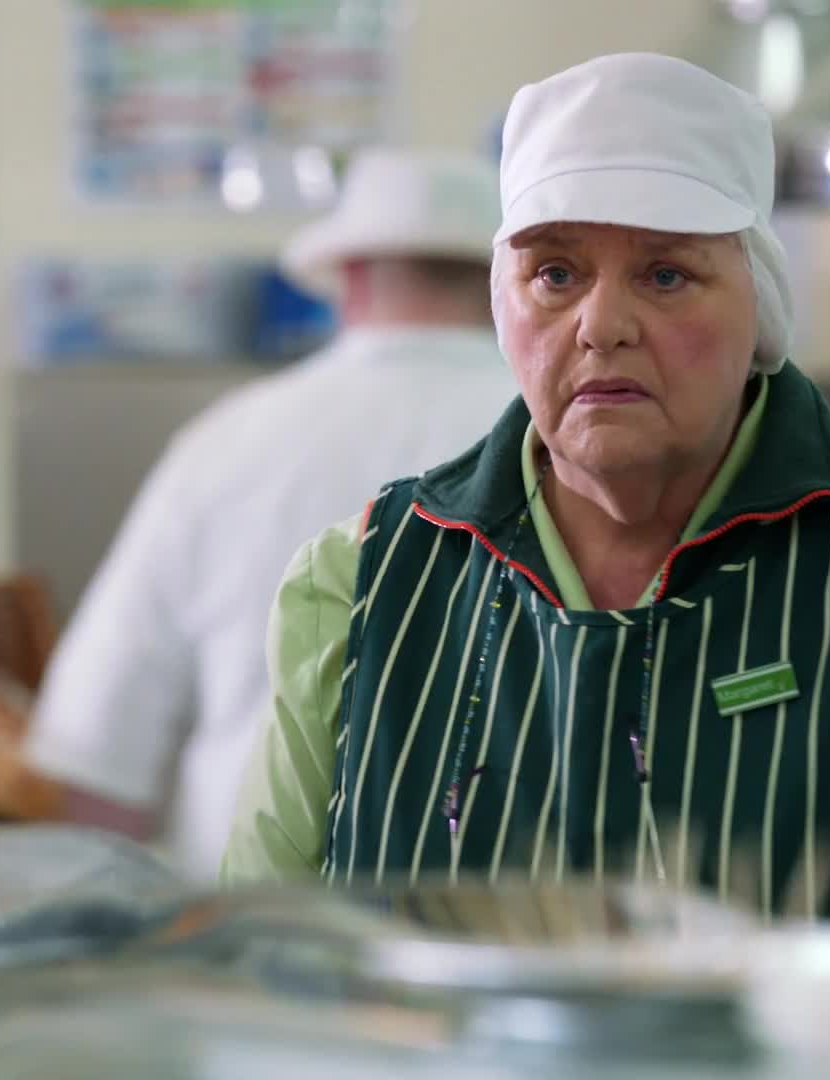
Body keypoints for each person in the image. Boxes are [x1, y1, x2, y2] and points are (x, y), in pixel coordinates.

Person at [221, 54, 830, 1035]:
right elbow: (249, 987)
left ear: (758, 302)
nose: (602, 325)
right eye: (554, 273)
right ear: (502, 301)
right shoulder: (366, 581)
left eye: (665, 273)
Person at [26, 149, 518, 885]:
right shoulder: (556, 437)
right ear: (506, 282)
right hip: (509, 911)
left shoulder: (227, 440)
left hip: (256, 915)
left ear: (350, 277)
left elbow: (99, 746)